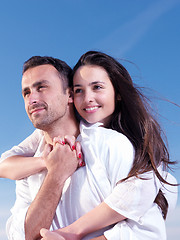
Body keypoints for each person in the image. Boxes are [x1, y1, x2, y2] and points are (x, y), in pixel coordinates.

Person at [0, 52, 178, 240]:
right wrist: (54, 170)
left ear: (67, 94)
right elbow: (21, 235)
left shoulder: (115, 145)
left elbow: (148, 232)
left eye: (41, 87)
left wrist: (72, 234)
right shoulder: (30, 164)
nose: (32, 99)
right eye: (26, 92)